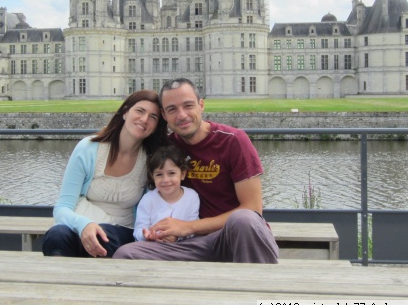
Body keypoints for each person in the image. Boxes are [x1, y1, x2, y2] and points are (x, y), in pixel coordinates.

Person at [114, 78, 279, 263]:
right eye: (172, 109)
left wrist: (189, 227)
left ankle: (258, 287)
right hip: (192, 244)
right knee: (126, 254)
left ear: (201, 105)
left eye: (188, 105)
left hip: (234, 236)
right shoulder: (167, 148)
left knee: (244, 220)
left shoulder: (233, 141)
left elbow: (253, 208)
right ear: (164, 115)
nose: (182, 115)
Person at [42, 90, 168, 258]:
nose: (144, 119)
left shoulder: (151, 160)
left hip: (121, 232)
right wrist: (85, 225)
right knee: (57, 236)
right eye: (140, 111)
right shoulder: (88, 149)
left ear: (155, 127)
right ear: (125, 112)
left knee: (102, 238)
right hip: (83, 224)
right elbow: (62, 208)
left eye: (153, 117)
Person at [133, 144, 199, 242]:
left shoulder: (192, 196)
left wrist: (177, 237)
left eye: (171, 173)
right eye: (159, 174)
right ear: (152, 176)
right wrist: (147, 236)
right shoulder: (148, 199)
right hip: (152, 247)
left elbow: (193, 229)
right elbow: (138, 230)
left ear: (183, 174)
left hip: (182, 247)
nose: (165, 180)